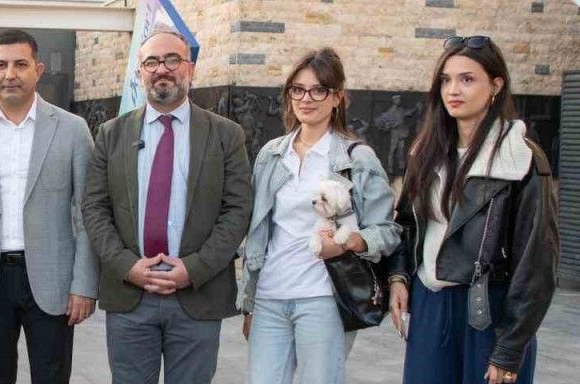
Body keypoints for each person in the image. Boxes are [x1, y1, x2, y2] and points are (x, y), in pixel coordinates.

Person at [81, 27, 252, 384]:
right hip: (130, 295)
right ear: (139, 72)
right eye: (152, 62)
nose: (162, 69)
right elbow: (95, 209)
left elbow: (237, 211)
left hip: (197, 295)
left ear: (190, 68)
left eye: (172, 59)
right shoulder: (111, 134)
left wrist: (194, 268)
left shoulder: (226, 135)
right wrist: (127, 266)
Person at [387, 36, 558, 384]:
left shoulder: (521, 158)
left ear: (496, 85)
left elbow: (537, 261)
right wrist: (398, 277)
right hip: (431, 304)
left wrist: (509, 348)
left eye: (467, 79)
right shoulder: (426, 153)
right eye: (446, 80)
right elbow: (406, 224)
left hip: (490, 309)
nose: (453, 90)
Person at [0, 29, 99, 384]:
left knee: (52, 376)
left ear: (38, 70)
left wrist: (84, 283)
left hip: (53, 279)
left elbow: (89, 212)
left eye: (20, 64)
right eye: (1, 65)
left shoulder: (72, 129)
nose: (10, 73)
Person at [239, 48, 400, 384]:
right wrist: (250, 301)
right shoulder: (271, 155)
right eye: (298, 89)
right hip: (269, 296)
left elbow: (387, 230)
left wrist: (347, 243)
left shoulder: (358, 158)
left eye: (318, 90)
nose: (306, 98)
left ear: (337, 97)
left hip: (323, 298)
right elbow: (259, 229)